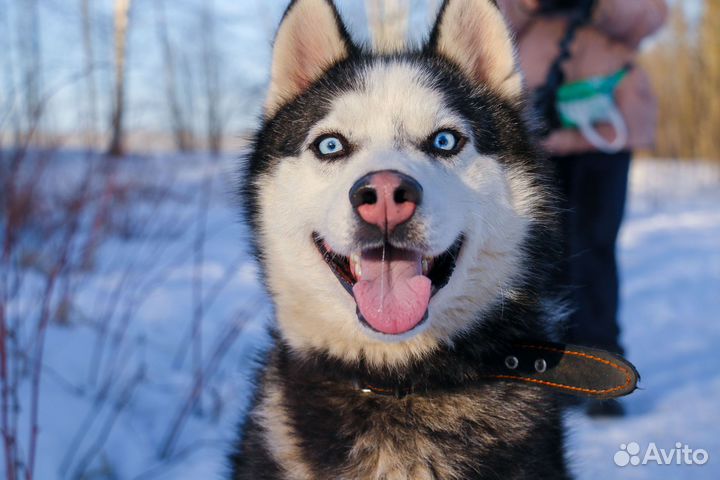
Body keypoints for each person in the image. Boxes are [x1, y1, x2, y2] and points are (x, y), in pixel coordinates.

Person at [499, 0, 667, 416]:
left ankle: (602, 374)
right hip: (537, 122)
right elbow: (491, 27)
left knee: (595, 249)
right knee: (539, 254)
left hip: (608, 123)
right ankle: (548, 371)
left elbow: (651, 18)